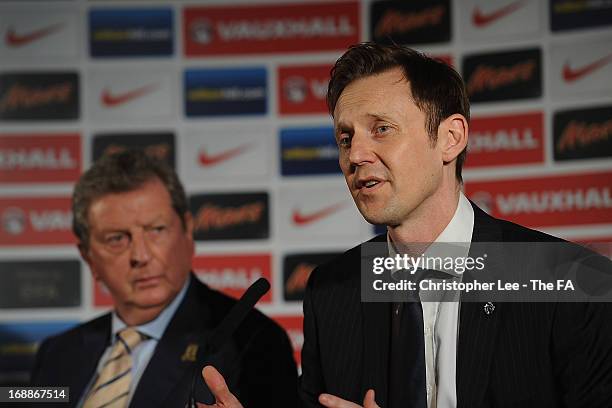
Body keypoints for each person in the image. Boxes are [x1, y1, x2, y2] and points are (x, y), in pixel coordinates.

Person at [195, 42, 612, 408]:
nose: (355, 154)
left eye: (381, 129)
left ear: (450, 138)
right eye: (345, 138)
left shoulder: (573, 285)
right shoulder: (332, 291)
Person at [29, 150, 299, 407]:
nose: (141, 255)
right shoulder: (57, 353)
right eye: (117, 239)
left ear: (187, 232)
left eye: (156, 230)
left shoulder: (251, 341)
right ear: (88, 256)